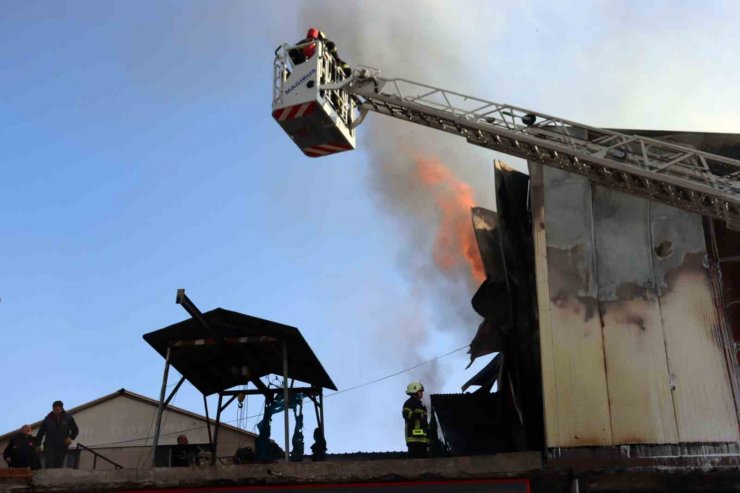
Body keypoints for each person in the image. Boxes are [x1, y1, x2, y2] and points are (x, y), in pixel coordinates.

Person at [36, 400, 79, 469]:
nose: (56, 411)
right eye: (54, 410)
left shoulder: (68, 418)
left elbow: (75, 430)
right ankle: (48, 478)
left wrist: (70, 438)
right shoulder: (47, 419)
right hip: (49, 445)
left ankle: (55, 479)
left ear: (62, 409)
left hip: (62, 445)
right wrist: (38, 444)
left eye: (58, 410)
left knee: (58, 464)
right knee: (50, 461)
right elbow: (40, 432)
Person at [402, 381, 429, 459]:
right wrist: (418, 415)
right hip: (413, 438)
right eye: (420, 391)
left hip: (422, 438)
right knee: (414, 461)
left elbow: (424, 422)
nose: (422, 393)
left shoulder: (422, 404)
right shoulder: (409, 403)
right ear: (415, 391)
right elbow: (406, 414)